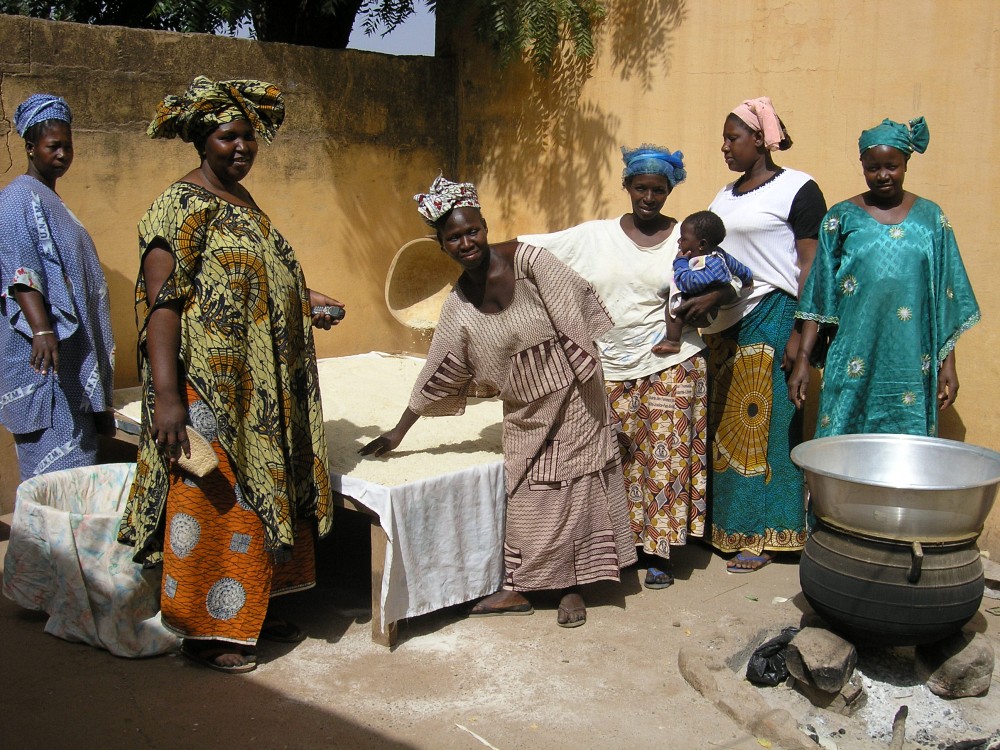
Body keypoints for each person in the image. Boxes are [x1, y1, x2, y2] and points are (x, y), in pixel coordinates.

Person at [118, 77, 343, 673]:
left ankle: (254, 609)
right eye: (227, 136)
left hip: (261, 396)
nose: (241, 146)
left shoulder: (244, 204)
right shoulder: (178, 207)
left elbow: (256, 280)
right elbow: (161, 306)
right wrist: (169, 398)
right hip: (209, 394)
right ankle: (207, 632)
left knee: (261, 501)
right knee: (220, 503)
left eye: (248, 135)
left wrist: (307, 299)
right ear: (201, 140)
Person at [361, 175, 636, 627]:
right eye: (455, 237)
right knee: (526, 497)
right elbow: (438, 371)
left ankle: (571, 589)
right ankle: (520, 588)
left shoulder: (530, 263)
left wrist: (581, 376)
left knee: (571, 489)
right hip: (525, 413)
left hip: (576, 395)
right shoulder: (457, 307)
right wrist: (398, 430)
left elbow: (575, 312)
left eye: (473, 231)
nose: (467, 242)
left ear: (486, 227)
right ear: (442, 245)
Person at [519, 146, 719, 590]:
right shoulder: (594, 236)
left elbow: (727, 283)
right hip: (609, 364)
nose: (649, 198)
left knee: (663, 460)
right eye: (641, 188)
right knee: (615, 458)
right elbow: (532, 249)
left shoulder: (686, 238)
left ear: (670, 191)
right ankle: (622, 545)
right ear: (627, 186)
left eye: (659, 191)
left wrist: (713, 300)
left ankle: (658, 552)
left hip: (673, 362)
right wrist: (477, 252)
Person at [788, 117, 979, 436]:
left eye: (891, 166)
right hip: (852, 355)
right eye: (873, 168)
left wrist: (949, 364)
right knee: (843, 447)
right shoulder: (840, 217)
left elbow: (944, 298)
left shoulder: (932, 219)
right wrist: (803, 360)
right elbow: (819, 296)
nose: (883, 175)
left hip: (911, 359)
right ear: (862, 166)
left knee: (906, 450)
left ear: (905, 163)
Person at [701, 97, 827, 573]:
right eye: (724, 139)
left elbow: (812, 264)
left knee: (770, 432)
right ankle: (727, 528)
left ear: (760, 139)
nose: (725, 147)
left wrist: (802, 331)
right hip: (728, 324)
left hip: (776, 317)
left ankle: (768, 535)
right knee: (729, 434)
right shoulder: (724, 196)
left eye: (733, 138)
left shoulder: (798, 188)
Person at [0, 94, 116, 480]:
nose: (63, 154)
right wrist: (43, 329)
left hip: (68, 363)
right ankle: (52, 542)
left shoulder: (49, 198)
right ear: (30, 148)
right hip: (45, 363)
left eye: (68, 145)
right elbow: (21, 273)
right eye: (54, 146)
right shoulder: (17, 199)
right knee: (57, 478)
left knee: (77, 473)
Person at [653, 210, 753, 355]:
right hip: (708, 311)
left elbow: (687, 283)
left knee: (674, 304)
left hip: (702, 313)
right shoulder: (719, 254)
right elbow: (737, 266)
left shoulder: (708, 265)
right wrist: (747, 277)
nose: (679, 242)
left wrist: (680, 263)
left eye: (683, 239)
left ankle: (673, 341)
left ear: (701, 244)